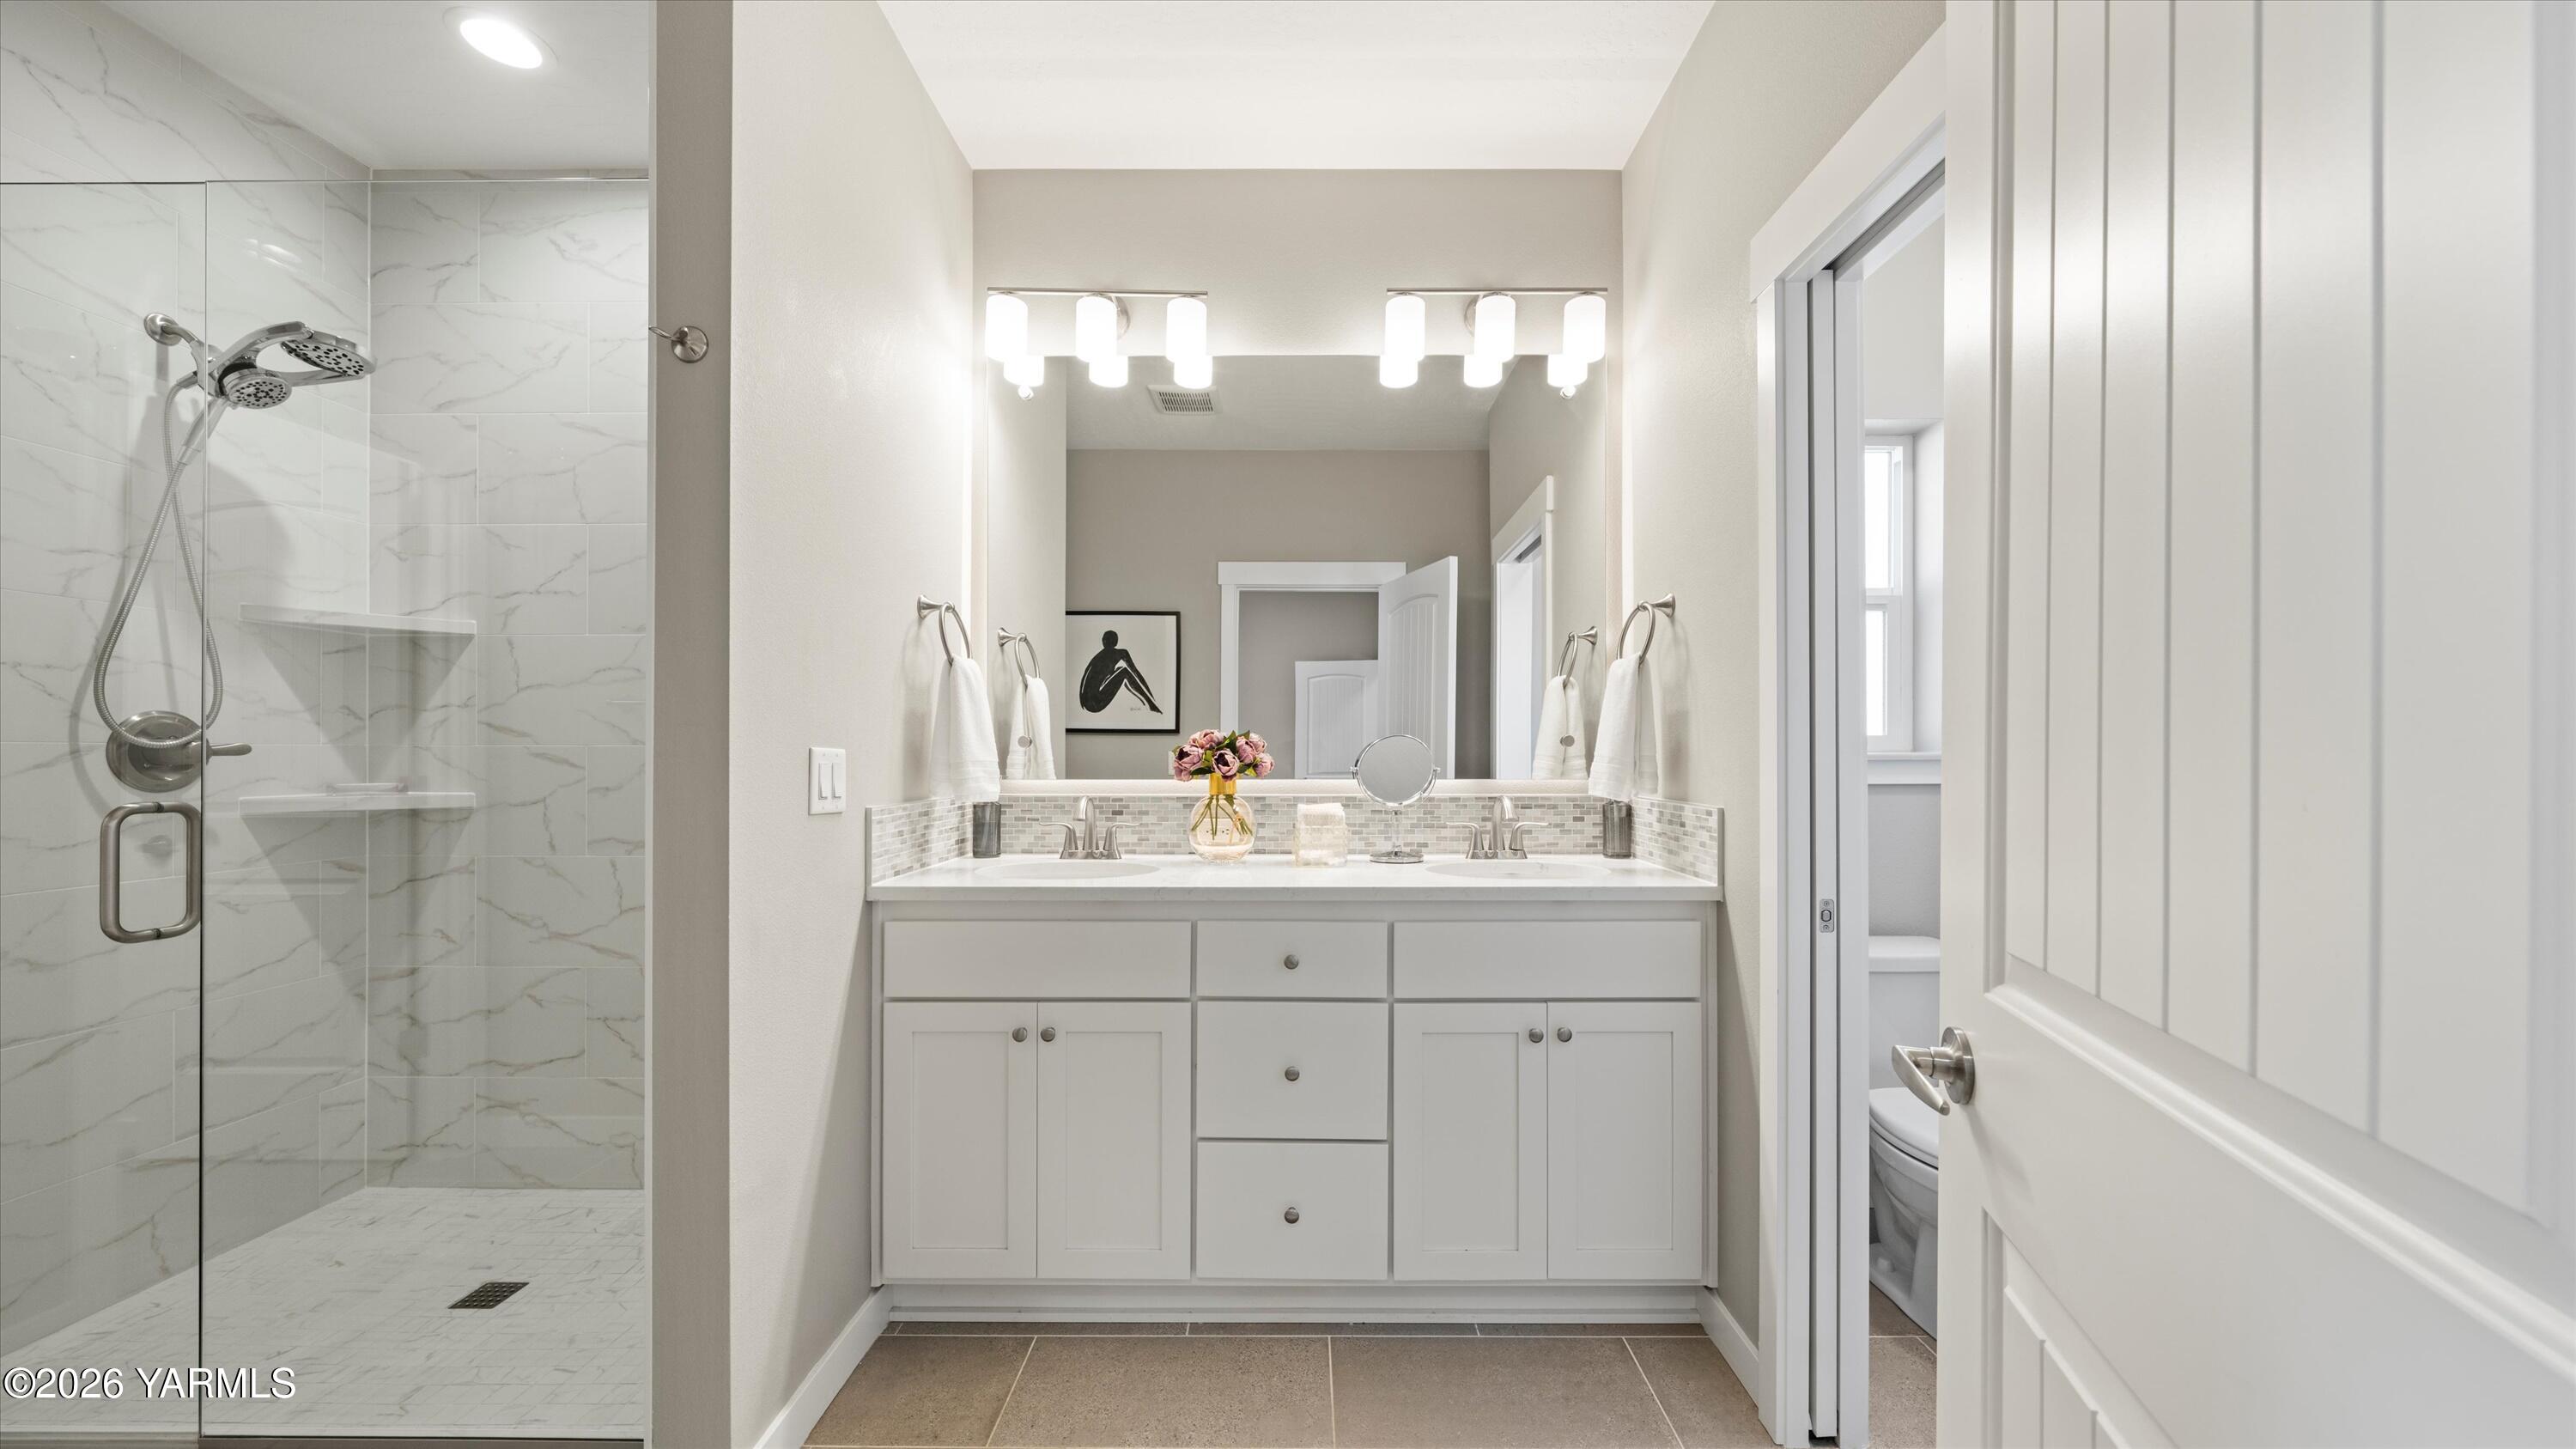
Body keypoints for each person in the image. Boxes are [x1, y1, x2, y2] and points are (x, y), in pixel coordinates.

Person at [1078, 630, 1163, 715]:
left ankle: (1150, 703)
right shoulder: (1121, 653)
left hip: (1086, 703)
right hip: (1095, 702)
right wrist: (1149, 695)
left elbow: (1085, 678)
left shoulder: (1099, 655)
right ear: (1115, 642)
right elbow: (1136, 673)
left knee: (1119, 669)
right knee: (1124, 672)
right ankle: (1151, 704)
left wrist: (1082, 704)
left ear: (1104, 641)